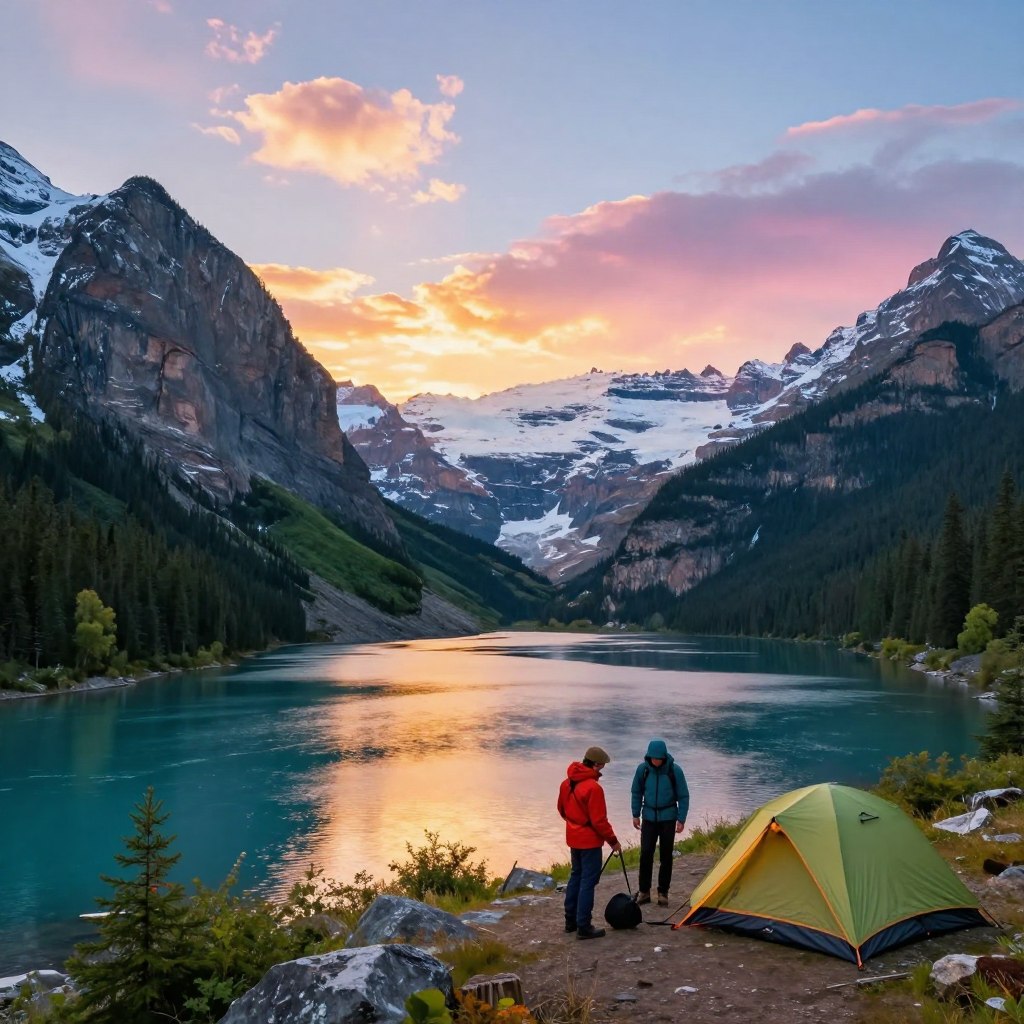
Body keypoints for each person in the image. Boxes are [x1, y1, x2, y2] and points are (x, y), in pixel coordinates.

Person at [557, 744, 622, 939]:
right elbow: (599, 821)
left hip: (573, 838)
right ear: (594, 765)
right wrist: (614, 842)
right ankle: (584, 927)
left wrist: (575, 825)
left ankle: (570, 922)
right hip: (590, 842)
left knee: (575, 876)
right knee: (587, 882)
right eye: (601, 766)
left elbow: (561, 810)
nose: (602, 769)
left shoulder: (565, 783)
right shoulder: (594, 788)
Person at [630, 738, 689, 907]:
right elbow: (636, 792)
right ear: (648, 757)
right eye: (653, 758)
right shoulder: (643, 770)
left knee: (666, 856)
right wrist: (635, 814)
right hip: (648, 817)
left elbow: (683, 796)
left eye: (659, 758)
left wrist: (681, 819)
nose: (656, 761)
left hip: (668, 818)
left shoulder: (674, 771)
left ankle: (663, 892)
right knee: (646, 854)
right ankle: (644, 891)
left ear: (664, 756)